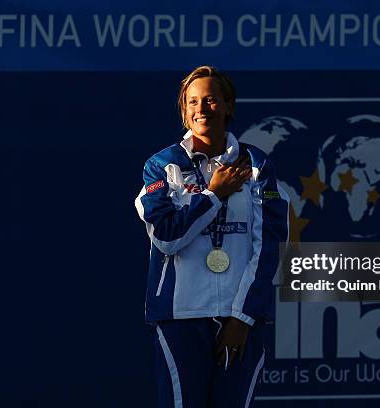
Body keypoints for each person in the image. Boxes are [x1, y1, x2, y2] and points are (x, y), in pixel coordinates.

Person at [135, 66, 289, 408]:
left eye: (210, 100)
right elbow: (165, 236)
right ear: (183, 110)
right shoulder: (162, 166)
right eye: (192, 102)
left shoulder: (257, 166)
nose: (201, 109)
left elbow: (269, 246)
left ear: (228, 106)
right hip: (180, 316)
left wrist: (243, 317)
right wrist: (214, 195)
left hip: (239, 319)